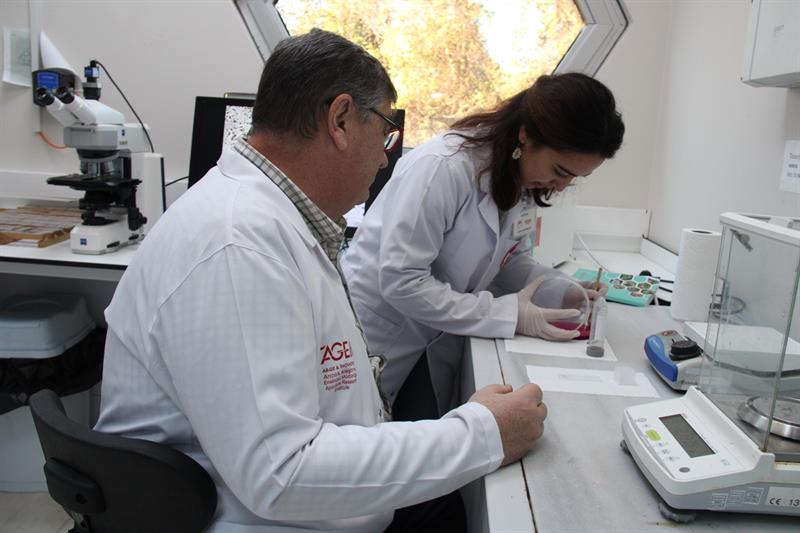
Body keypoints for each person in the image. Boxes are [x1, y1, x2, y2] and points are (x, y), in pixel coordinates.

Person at [94, 29, 547, 533]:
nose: (384, 158)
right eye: (385, 133)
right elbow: (282, 473)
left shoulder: (276, 221)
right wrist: (483, 434)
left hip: (293, 503)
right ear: (341, 120)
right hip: (250, 519)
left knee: (450, 509)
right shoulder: (238, 245)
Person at [340, 72, 624, 419]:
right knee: (364, 431)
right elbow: (402, 281)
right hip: (376, 335)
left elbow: (508, 262)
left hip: (433, 338)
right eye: (560, 170)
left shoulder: (519, 176)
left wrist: (561, 290)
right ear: (526, 134)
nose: (562, 186)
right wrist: (509, 315)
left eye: (575, 177)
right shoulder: (444, 167)